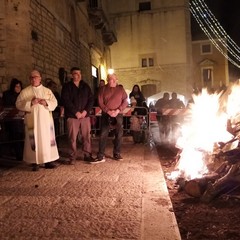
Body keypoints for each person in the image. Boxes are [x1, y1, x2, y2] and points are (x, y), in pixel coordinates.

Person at [16, 70, 59, 171]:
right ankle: (34, 162)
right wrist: (30, 103)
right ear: (29, 79)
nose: (34, 79)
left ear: (40, 78)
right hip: (32, 122)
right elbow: (18, 104)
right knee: (33, 140)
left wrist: (46, 102)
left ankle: (48, 161)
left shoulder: (47, 91)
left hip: (46, 122)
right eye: (31, 77)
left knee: (46, 140)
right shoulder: (25, 92)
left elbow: (55, 102)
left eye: (36, 77)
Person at [61, 67, 94, 164]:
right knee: (72, 137)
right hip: (72, 116)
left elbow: (91, 99)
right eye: (76, 73)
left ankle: (87, 154)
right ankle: (72, 156)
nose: (78, 75)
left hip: (85, 116)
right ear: (72, 75)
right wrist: (76, 112)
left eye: (79, 73)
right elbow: (66, 101)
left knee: (86, 136)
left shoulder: (85, 86)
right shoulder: (67, 87)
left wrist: (85, 111)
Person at [94, 73, 128, 163]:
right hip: (106, 114)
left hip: (118, 114)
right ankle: (101, 155)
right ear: (107, 79)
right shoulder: (102, 89)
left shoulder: (120, 89)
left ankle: (117, 153)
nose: (111, 81)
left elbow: (125, 100)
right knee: (103, 134)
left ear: (116, 80)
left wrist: (118, 110)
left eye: (113, 79)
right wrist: (108, 111)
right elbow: (100, 101)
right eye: (109, 79)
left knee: (119, 134)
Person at [2, 78, 24, 160]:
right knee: (16, 137)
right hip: (12, 120)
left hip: (20, 120)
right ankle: (19, 155)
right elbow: (7, 107)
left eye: (19, 86)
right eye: (16, 86)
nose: (18, 88)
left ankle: (20, 153)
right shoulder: (7, 94)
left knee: (20, 137)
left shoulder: (21, 95)